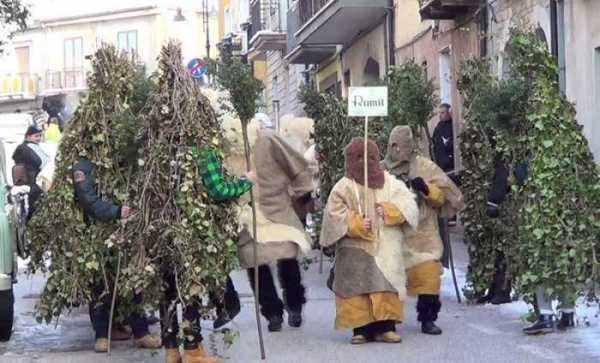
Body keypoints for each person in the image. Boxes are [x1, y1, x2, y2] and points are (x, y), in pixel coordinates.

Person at [320, 137, 418, 344]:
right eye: (358, 158)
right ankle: (360, 329)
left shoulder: (390, 183)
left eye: (369, 157)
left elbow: (408, 204)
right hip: (353, 248)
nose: (364, 162)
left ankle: (386, 327)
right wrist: (354, 223)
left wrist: (391, 211)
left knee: (385, 284)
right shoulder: (343, 186)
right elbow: (333, 214)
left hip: (385, 245)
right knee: (356, 287)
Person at [72, 158, 161, 353]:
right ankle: (102, 335)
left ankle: (140, 332)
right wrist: (116, 211)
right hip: (98, 235)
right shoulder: (83, 166)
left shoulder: (122, 159)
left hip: (125, 232)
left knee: (132, 281)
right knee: (100, 284)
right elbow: (88, 200)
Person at [382, 126, 464, 335]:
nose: (397, 149)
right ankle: (388, 319)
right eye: (394, 144)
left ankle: (428, 319)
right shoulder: (381, 170)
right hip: (393, 234)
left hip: (423, 234)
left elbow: (446, 197)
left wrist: (426, 189)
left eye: (401, 144)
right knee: (389, 278)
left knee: (428, 276)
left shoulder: (425, 167)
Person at [237, 129, 314, 332]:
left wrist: (303, 190)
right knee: (256, 262)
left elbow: (293, 162)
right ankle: (272, 312)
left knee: (286, 257)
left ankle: (294, 304)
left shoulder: (266, 139)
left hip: (277, 210)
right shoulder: (229, 142)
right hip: (249, 215)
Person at [12, 126, 48, 219]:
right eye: (36, 136)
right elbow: (42, 162)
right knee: (35, 210)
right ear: (28, 136)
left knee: (29, 211)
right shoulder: (29, 147)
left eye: (40, 136)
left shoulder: (23, 147)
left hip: (28, 184)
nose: (39, 138)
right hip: (34, 182)